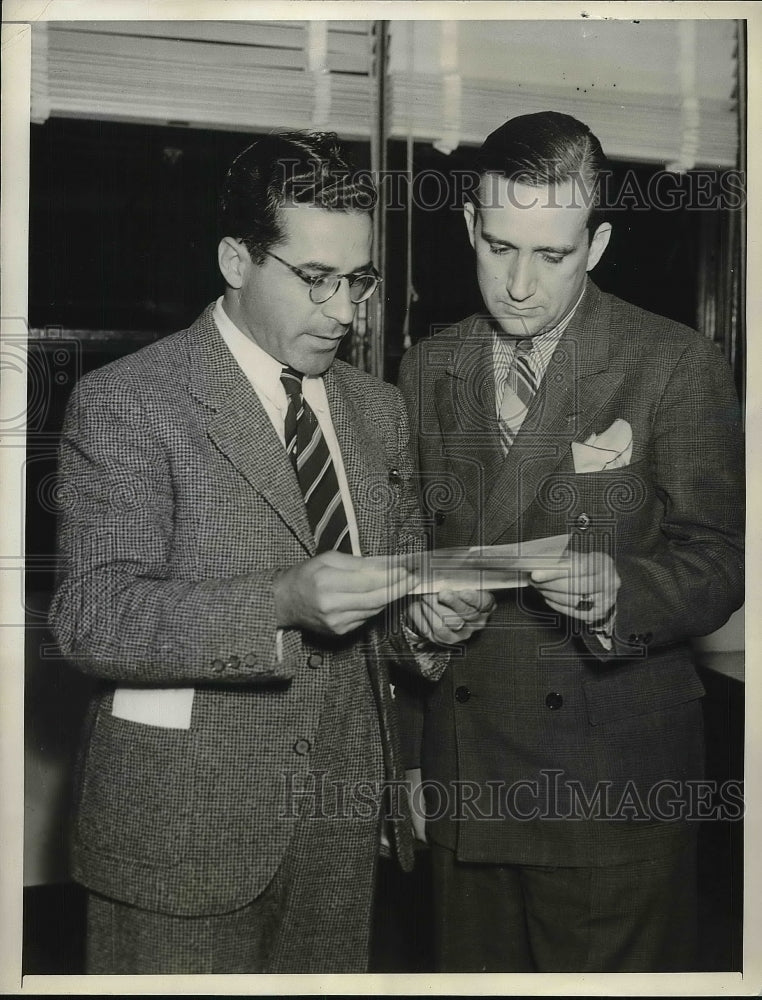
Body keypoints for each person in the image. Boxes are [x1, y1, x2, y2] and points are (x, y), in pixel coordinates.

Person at [48, 130, 493, 975]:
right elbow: (93, 618)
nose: (343, 311)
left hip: (338, 830)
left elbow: (384, 610)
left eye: (357, 280)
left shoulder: (378, 410)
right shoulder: (132, 401)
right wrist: (279, 603)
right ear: (235, 259)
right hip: (179, 839)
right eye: (315, 279)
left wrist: (425, 621)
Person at [396, 111, 744, 973]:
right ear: (470, 224)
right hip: (467, 778)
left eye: (551, 255)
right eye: (500, 246)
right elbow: (404, 552)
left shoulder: (673, 363)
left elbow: (717, 561)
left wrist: (623, 590)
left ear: (596, 244)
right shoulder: (425, 368)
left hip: (611, 786)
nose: (519, 284)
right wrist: (418, 623)